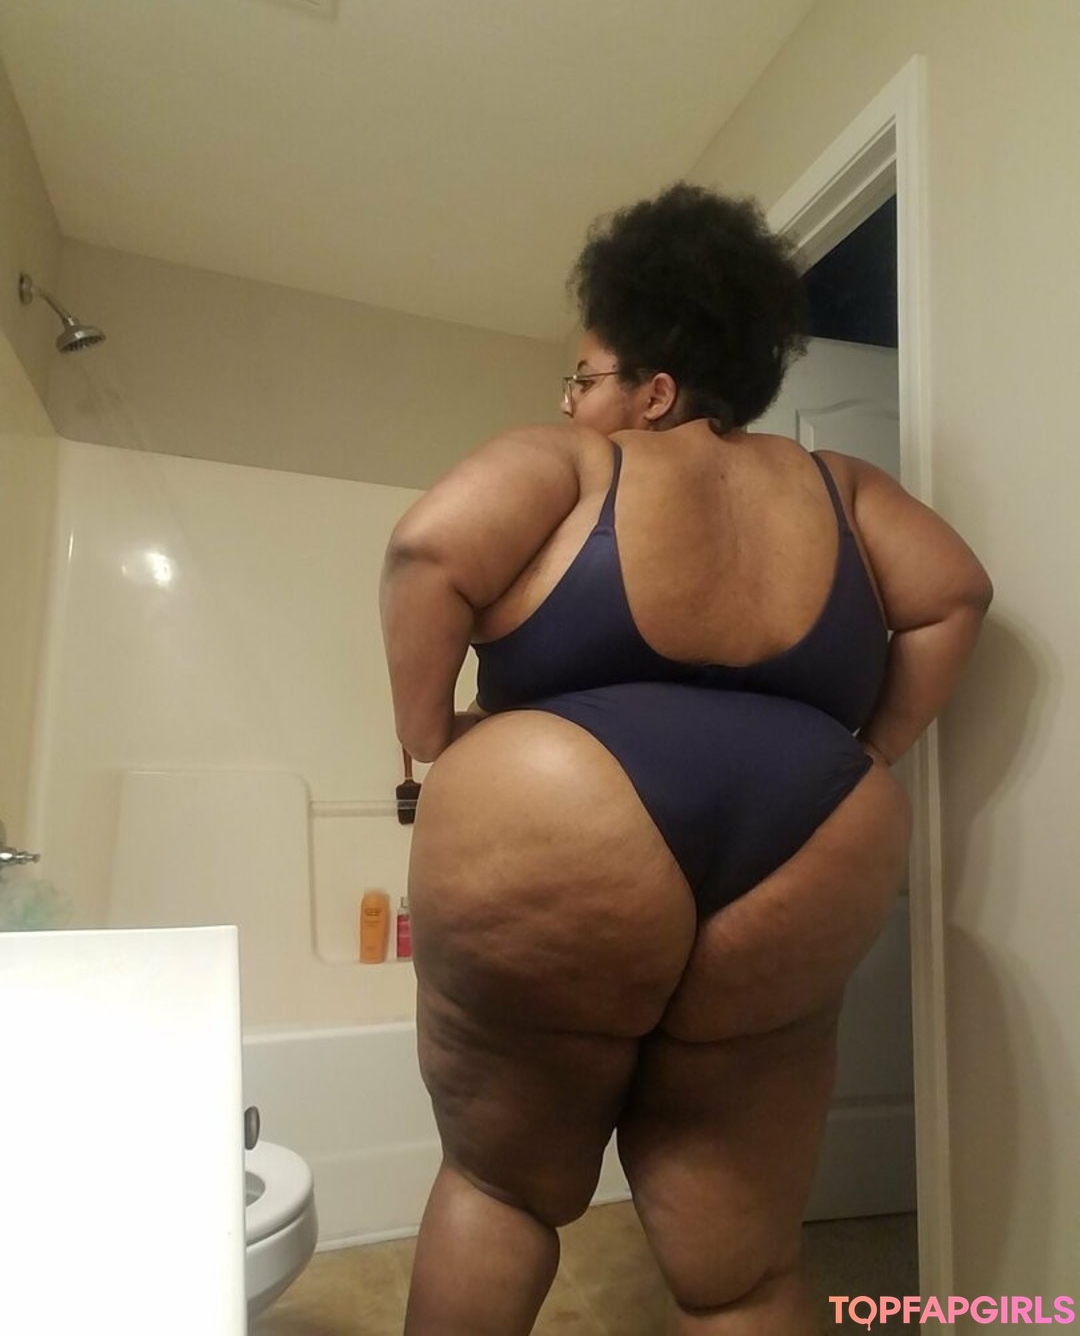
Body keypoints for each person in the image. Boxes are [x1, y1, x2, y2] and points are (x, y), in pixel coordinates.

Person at [380, 184, 991, 1334]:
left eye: (584, 377)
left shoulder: (575, 461)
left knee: (503, 1188)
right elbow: (957, 593)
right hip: (816, 835)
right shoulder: (841, 486)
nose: (571, 401)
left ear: (654, 390)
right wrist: (869, 749)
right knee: (742, 1267)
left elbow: (426, 551)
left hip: (565, 807)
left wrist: (431, 737)